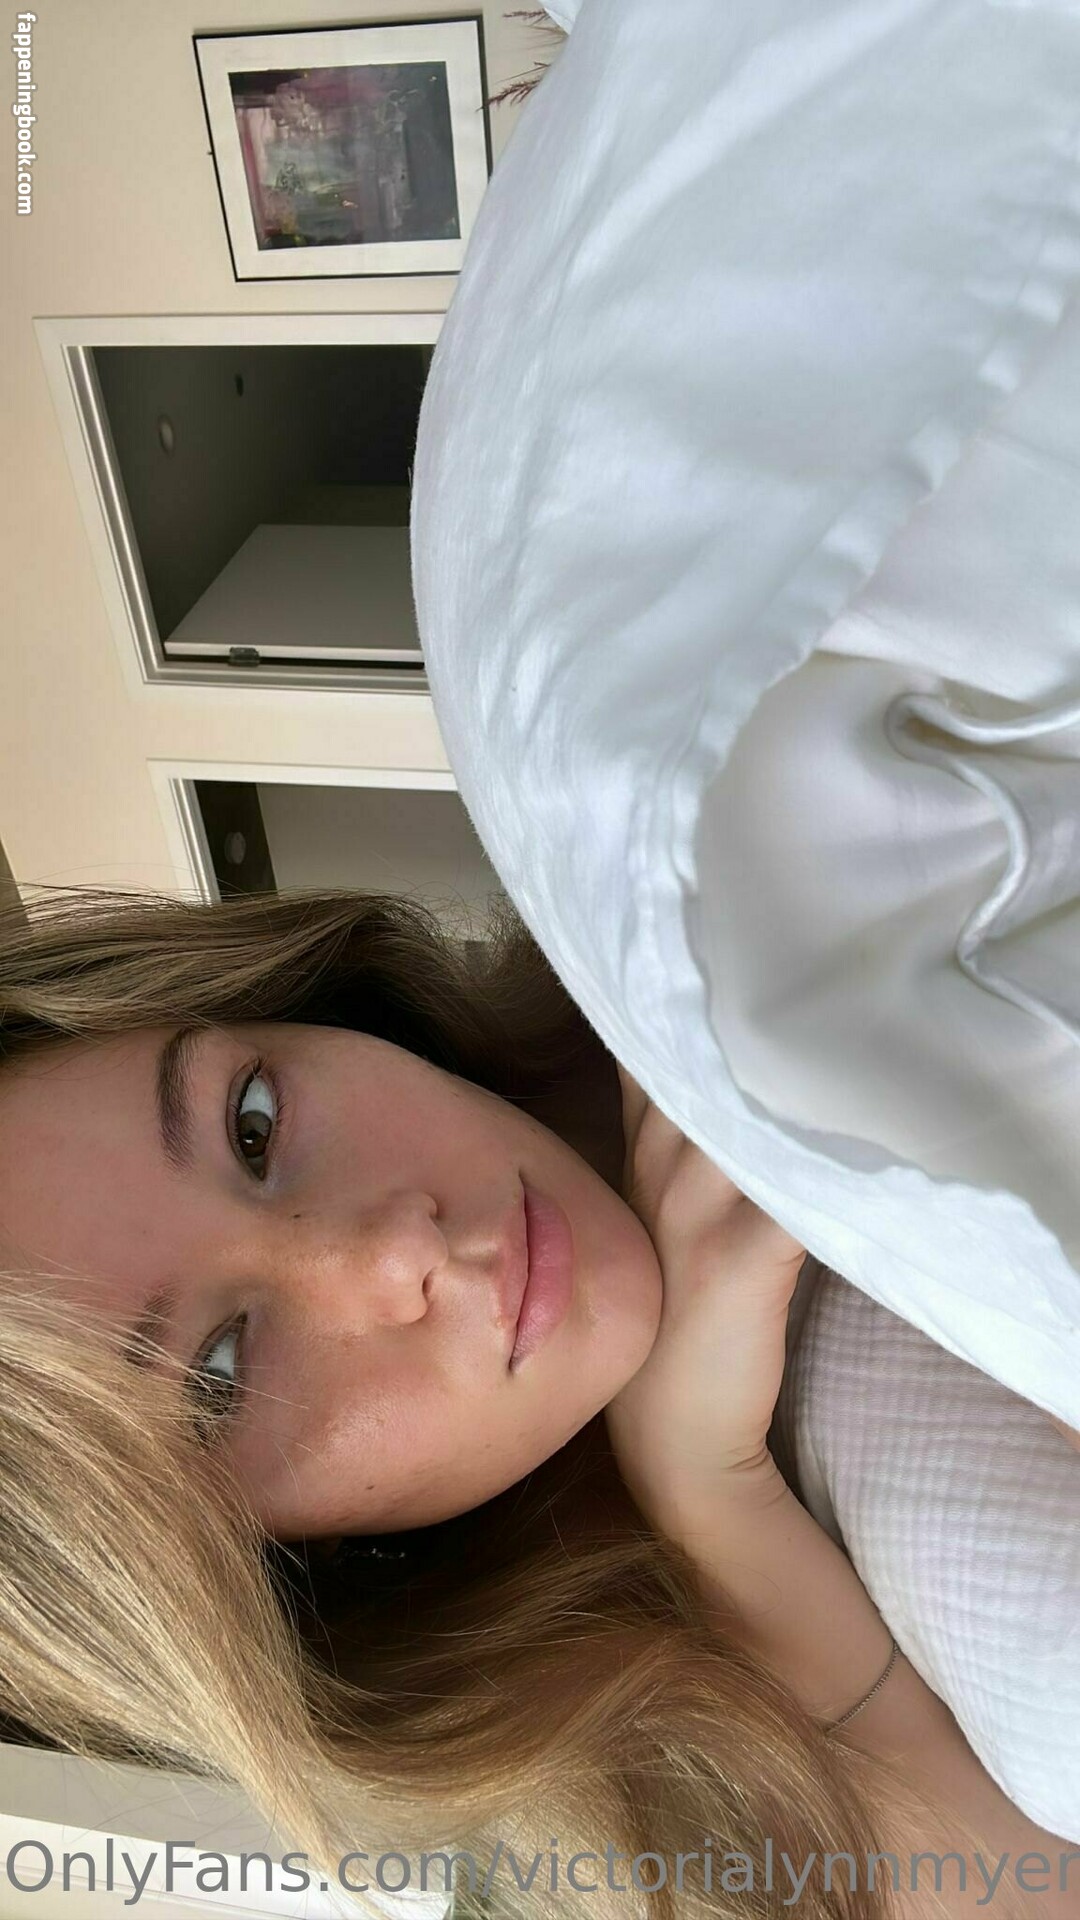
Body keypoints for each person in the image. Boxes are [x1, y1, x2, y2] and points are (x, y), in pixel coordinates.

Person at [0, 882, 1071, 1920]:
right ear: (271, 1573)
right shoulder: (646, 1786)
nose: (395, 1249)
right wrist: (710, 1498)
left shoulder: (670, 895)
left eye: (254, 1124)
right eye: (222, 1374)